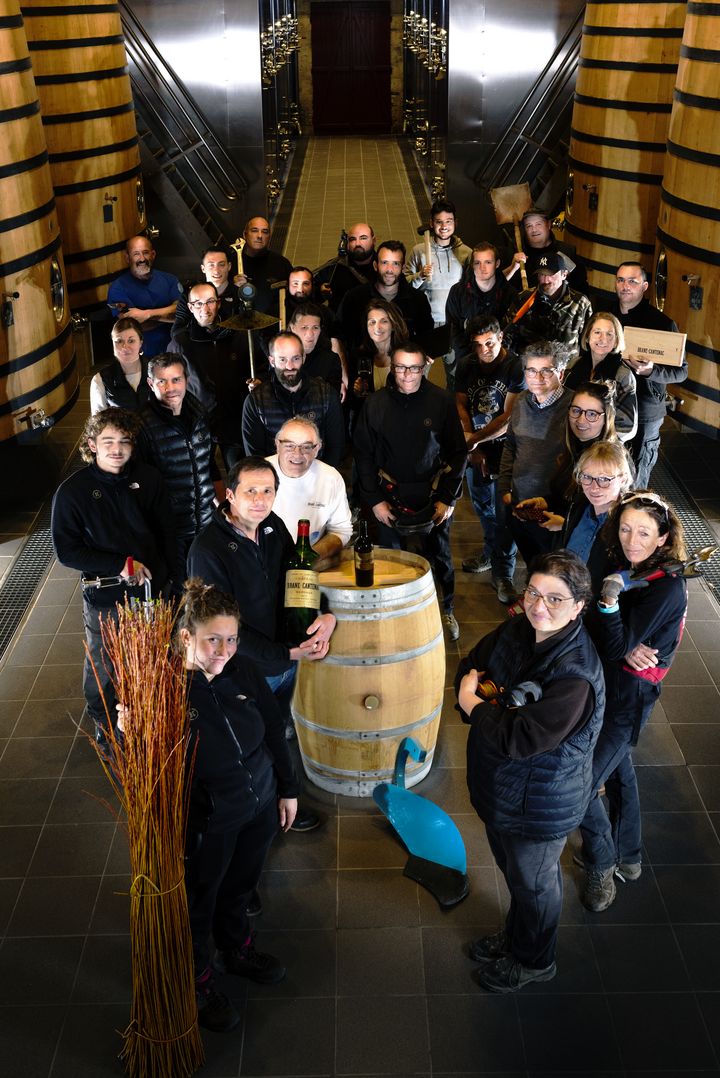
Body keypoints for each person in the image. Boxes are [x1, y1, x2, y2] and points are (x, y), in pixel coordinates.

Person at [456, 550, 604, 993]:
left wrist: (474, 705)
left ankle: (535, 960)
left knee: (535, 884)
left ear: (579, 607)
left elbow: (520, 739)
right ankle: (517, 936)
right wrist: (483, 701)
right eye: (533, 593)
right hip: (505, 789)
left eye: (555, 599)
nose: (539, 607)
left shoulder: (575, 676)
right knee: (516, 875)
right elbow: (473, 663)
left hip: (540, 802)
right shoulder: (520, 628)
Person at [174, 580, 299, 1033]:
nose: (224, 650)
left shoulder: (242, 669)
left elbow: (274, 729)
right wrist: (126, 726)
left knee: (242, 886)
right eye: (213, 639)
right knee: (200, 900)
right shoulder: (166, 687)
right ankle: (199, 980)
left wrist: (287, 789)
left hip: (259, 803)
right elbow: (124, 728)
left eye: (232, 639)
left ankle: (236, 950)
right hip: (210, 819)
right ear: (187, 636)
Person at [187, 456, 336, 832]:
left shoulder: (273, 526)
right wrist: (285, 653)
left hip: (284, 662)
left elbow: (298, 579)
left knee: (277, 729)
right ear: (230, 496)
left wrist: (325, 614)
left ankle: (281, 802)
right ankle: (267, 814)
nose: (259, 499)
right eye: (250, 491)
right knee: (252, 744)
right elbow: (224, 630)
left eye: (267, 491)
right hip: (246, 670)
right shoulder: (208, 550)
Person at [576, 491, 688, 912]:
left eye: (644, 533)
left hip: (628, 699)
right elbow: (590, 617)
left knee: (582, 785)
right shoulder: (621, 562)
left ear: (663, 538)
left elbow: (610, 634)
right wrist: (618, 637)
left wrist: (609, 606)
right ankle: (629, 855)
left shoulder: (667, 588)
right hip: (604, 682)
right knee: (619, 768)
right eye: (625, 528)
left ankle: (602, 863)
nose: (631, 540)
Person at [50, 408, 176, 745]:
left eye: (124, 441)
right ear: (92, 444)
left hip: (151, 591)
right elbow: (67, 552)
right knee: (103, 667)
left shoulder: (148, 478)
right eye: (108, 441)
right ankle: (105, 726)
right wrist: (119, 564)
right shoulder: (73, 491)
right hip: (106, 597)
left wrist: (168, 580)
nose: (117, 449)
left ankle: (146, 721)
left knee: (151, 658)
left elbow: (167, 533)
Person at [353, 341, 467, 641]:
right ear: (392, 367)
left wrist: (448, 498)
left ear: (424, 367)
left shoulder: (441, 401)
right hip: (389, 496)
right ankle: (395, 612)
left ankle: (446, 608)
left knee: (439, 556)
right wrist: (375, 500)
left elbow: (458, 452)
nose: (407, 374)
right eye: (401, 367)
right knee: (391, 558)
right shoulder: (375, 404)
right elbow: (363, 455)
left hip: (433, 495)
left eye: (414, 368)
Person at [497, 340, 571, 598]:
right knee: (533, 564)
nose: (537, 378)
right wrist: (505, 487)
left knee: (556, 573)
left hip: (554, 509)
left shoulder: (574, 408)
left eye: (546, 371)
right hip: (520, 503)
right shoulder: (521, 401)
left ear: (560, 372)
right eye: (531, 370)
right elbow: (510, 445)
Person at [512, 381, 622, 551]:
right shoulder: (574, 447)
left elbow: (611, 526)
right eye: (576, 411)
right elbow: (567, 498)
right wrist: (544, 502)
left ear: (606, 418)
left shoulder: (611, 461)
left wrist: (565, 525)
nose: (581, 420)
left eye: (592, 414)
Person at [454, 317, 523, 582]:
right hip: (476, 446)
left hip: (507, 449)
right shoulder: (466, 364)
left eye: (490, 343)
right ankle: (490, 552)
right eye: (478, 344)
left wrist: (474, 440)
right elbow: (460, 404)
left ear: (501, 337)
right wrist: (472, 446)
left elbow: (508, 417)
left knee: (505, 511)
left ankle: (503, 571)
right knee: (483, 507)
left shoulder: (515, 366)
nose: (484, 350)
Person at [138, 354, 219, 571]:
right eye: (162, 382)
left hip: (205, 525)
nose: (170, 388)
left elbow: (208, 465)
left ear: (186, 380)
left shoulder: (199, 413)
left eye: (176, 380)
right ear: (150, 384)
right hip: (169, 533)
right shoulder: (141, 425)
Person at [611, 262, 688, 487]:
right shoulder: (606, 316)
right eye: (620, 280)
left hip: (645, 411)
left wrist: (651, 371)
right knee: (609, 470)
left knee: (636, 478)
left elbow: (681, 372)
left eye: (632, 281)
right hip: (609, 406)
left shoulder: (662, 323)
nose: (625, 286)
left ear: (645, 286)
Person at [168, 281, 254, 468]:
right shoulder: (180, 343)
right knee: (204, 474)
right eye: (198, 303)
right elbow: (170, 383)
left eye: (210, 302)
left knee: (240, 470)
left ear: (219, 303)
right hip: (199, 422)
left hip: (234, 418)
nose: (205, 309)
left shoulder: (237, 334)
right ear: (190, 307)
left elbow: (257, 366)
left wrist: (257, 381)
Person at [241, 331, 345, 467]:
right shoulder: (255, 401)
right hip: (274, 476)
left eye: (295, 359)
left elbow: (335, 447)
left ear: (303, 358)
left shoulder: (326, 395)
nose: (290, 366)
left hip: (317, 473)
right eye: (282, 360)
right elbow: (255, 456)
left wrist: (320, 476)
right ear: (272, 361)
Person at [404, 199, 472, 388]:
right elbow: (405, 284)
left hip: (453, 324)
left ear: (455, 223)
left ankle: (453, 406)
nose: (444, 226)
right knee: (419, 373)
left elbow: (470, 288)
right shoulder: (419, 251)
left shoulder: (465, 253)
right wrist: (420, 276)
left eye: (448, 221)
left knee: (455, 376)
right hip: (426, 322)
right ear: (431, 223)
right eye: (439, 222)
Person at [267, 418, 353, 558]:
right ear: (277, 445)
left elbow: (341, 530)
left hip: (310, 560)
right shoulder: (257, 474)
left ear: (317, 449)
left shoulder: (331, 477)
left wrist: (310, 558)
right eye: (289, 446)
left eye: (306, 447)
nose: (297, 454)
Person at [337, 241, 433, 351]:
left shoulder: (418, 299)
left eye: (395, 263)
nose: (389, 270)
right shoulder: (355, 297)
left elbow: (426, 337)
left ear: (403, 268)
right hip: (365, 359)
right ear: (375, 265)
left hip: (403, 361)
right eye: (384, 262)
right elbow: (341, 333)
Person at [505, 252, 592, 363]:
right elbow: (506, 335)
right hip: (529, 368)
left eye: (551, 274)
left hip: (566, 369)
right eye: (541, 274)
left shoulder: (580, 303)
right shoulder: (524, 299)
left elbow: (588, 343)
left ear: (564, 274)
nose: (545, 280)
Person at [107, 235, 183, 358]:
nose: (142, 258)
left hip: (175, 352)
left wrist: (147, 314)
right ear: (127, 258)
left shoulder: (170, 280)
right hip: (141, 356)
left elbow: (181, 313)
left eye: (145, 253)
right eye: (136, 254)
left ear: (153, 255)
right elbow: (131, 326)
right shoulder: (117, 288)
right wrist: (168, 317)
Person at [565, 312, 637, 442]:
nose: (603, 339)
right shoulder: (574, 364)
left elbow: (626, 427)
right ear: (587, 336)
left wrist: (600, 445)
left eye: (609, 334)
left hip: (603, 444)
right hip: (570, 439)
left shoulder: (623, 374)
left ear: (616, 341)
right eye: (597, 332)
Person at [445, 242, 515, 363]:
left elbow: (512, 329)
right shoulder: (458, 292)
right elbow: (453, 328)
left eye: (488, 262)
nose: (483, 268)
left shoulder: (508, 293)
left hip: (499, 359)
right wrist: (468, 357)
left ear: (497, 263)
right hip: (467, 358)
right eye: (477, 263)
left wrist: (497, 356)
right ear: (472, 264)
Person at [504, 206, 588, 295]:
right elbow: (499, 287)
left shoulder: (566, 252)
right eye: (529, 226)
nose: (534, 229)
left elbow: (581, 289)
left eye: (538, 224)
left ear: (548, 225)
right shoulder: (517, 256)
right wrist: (512, 268)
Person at [90, 318, 151, 414]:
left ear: (140, 343)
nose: (125, 347)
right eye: (119, 341)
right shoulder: (100, 379)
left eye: (131, 341)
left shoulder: (157, 371)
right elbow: (98, 421)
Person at [173, 246, 241, 331]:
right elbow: (177, 331)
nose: (216, 271)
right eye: (211, 265)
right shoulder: (189, 295)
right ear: (203, 268)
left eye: (221, 265)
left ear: (229, 266)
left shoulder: (239, 294)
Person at [235, 216, 292, 316]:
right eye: (254, 231)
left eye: (265, 232)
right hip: (239, 322)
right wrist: (232, 287)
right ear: (245, 234)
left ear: (269, 236)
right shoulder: (231, 264)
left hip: (274, 323)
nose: (260, 236)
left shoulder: (281, 264)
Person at [314, 222, 377, 311]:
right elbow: (311, 292)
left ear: (374, 241)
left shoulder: (385, 266)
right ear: (347, 244)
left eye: (363, 238)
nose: (357, 244)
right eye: (352, 239)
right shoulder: (335, 266)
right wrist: (320, 292)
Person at [287, 302, 345, 397]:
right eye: (304, 327)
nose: (310, 334)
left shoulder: (331, 360)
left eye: (315, 327)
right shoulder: (282, 358)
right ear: (293, 328)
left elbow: (332, 400)